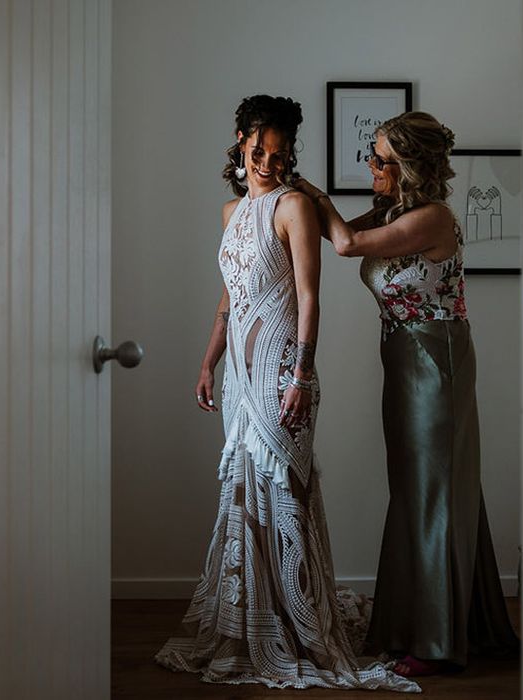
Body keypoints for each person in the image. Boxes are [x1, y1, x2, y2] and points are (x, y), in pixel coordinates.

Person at [155, 95, 418, 693]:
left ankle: (297, 626)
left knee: (286, 492)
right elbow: (230, 297)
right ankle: (249, 623)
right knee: (243, 491)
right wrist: (207, 361)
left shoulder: (295, 206)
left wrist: (301, 373)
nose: (269, 164)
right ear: (240, 142)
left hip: (281, 373)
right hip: (239, 379)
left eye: (279, 154)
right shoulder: (229, 213)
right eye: (259, 151)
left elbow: (307, 297)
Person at [294, 111, 520, 677]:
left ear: (409, 167)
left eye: (379, 159)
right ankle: (423, 623)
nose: (370, 166)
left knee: (434, 492)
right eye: (371, 156)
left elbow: (345, 243)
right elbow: (337, 229)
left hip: (435, 360)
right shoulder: (396, 211)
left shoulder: (433, 217)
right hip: (402, 360)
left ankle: (438, 641)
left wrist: (312, 192)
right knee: (417, 490)